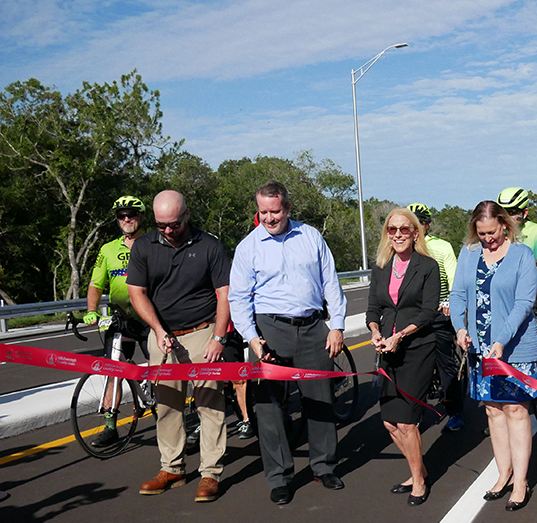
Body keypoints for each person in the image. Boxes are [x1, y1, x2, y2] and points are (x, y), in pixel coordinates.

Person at [228, 181, 347, 505]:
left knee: (320, 399)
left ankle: (324, 466)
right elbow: (238, 299)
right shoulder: (248, 247)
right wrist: (251, 337)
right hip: (270, 330)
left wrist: (336, 327)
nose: (269, 218)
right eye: (263, 212)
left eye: (275, 211)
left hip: (312, 328)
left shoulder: (310, 237)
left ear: (288, 209)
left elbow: (331, 284)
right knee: (268, 407)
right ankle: (280, 476)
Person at [127, 190, 231, 502]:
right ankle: (171, 467)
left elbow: (225, 293)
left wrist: (218, 337)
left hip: (203, 331)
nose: (168, 231)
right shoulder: (144, 246)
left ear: (186, 215)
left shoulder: (209, 245)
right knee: (168, 404)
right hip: (163, 335)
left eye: (174, 224)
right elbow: (137, 293)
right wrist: (157, 330)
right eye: (162, 226)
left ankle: (210, 472)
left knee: (209, 403)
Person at [450, 201, 537, 511]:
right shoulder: (470, 253)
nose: (487, 239)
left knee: (515, 410)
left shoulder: (522, 256)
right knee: (493, 411)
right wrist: (460, 328)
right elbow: (459, 293)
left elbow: (524, 302)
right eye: (481, 233)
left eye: (491, 232)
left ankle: (520, 481)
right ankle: (503, 474)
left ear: (504, 224)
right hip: (480, 349)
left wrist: (501, 340)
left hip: (513, 348)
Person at [367, 208, 441, 506]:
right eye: (392, 229)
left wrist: (401, 335)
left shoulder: (427, 266)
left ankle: (419, 480)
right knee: (389, 423)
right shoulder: (382, 267)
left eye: (404, 229)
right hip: (388, 348)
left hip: (417, 349)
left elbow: (428, 311)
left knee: (408, 422)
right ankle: (418, 468)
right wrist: (375, 330)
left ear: (415, 233)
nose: (397, 234)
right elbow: (374, 307)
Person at [83, 195, 152, 448]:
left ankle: (169, 417)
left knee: (159, 370)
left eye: (131, 215)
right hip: (119, 318)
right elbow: (95, 284)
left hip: (149, 318)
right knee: (113, 371)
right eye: (121, 216)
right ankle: (110, 426)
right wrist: (92, 310)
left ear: (141, 217)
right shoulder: (108, 249)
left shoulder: (154, 243)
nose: (126, 219)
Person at [496, 187, 537, 440]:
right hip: (505, 305)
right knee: (502, 362)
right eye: (504, 212)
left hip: (533, 303)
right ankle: (504, 414)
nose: (509, 217)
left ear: (524, 212)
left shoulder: (536, 232)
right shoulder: (498, 231)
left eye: (514, 212)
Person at [406, 203, 464, 432]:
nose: (414, 227)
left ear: (427, 225)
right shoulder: (402, 247)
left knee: (445, 367)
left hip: (438, 315)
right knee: (410, 368)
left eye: (419, 222)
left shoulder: (441, 247)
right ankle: (413, 414)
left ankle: (456, 412)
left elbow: (454, 279)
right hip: (412, 317)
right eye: (410, 222)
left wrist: (450, 301)